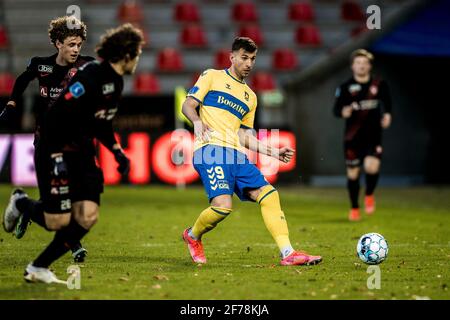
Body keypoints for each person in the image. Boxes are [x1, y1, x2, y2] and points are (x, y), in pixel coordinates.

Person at [2, 23, 144, 283]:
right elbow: (57, 116)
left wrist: (116, 151)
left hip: (83, 152)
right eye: (137, 53)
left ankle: (38, 267)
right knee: (55, 220)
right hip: (54, 147)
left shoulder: (116, 82)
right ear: (126, 54)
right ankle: (21, 202)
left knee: (88, 215)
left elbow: (101, 122)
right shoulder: (90, 75)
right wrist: (56, 156)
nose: (138, 59)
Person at [181, 37, 322, 266]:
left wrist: (272, 152)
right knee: (222, 207)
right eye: (244, 57)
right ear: (232, 57)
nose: (248, 63)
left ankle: (288, 253)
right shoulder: (212, 76)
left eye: (253, 59)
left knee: (269, 194)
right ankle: (193, 235)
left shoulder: (250, 97)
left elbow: (244, 136)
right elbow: (188, 104)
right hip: (210, 150)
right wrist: (196, 120)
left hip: (236, 154)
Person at [2, 16, 94, 262]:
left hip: (74, 144)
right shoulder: (41, 65)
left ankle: (27, 209)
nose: (76, 49)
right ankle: (26, 206)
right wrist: (11, 103)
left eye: (79, 45)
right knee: (56, 203)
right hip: (46, 143)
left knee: (71, 199)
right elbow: (22, 80)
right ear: (57, 44)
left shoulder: (88, 66)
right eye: (71, 44)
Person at [333, 49, 392, 221]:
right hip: (352, 138)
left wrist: (387, 115)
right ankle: (354, 207)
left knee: (371, 167)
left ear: (370, 66)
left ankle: (369, 194)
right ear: (353, 66)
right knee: (353, 173)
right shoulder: (344, 87)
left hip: (373, 135)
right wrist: (343, 111)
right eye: (358, 63)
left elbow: (387, 103)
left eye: (365, 63)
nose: (361, 66)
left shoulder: (379, 84)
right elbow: (336, 109)